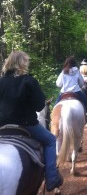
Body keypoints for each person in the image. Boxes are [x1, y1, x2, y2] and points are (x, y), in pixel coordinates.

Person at [0, 51, 63, 192]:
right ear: (22, 63)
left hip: (1, 126)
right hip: (26, 125)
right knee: (51, 140)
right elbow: (40, 106)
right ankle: (52, 178)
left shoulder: (1, 81)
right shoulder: (28, 81)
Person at [56, 56, 87, 127]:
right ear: (74, 63)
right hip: (76, 92)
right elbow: (81, 83)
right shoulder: (77, 71)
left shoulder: (63, 72)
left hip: (64, 93)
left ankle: (53, 123)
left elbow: (58, 84)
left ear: (66, 63)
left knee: (55, 107)